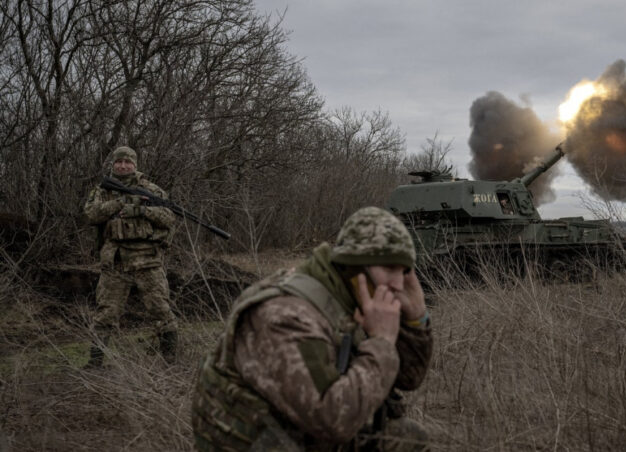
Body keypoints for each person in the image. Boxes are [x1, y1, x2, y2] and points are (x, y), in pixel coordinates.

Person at [192, 207, 433, 451]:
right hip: (265, 441)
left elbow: (408, 377)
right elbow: (332, 421)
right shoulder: (286, 315)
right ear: (355, 267)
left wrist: (416, 319)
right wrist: (381, 342)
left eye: (403, 271)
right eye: (389, 269)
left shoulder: (352, 297)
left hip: (303, 433)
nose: (398, 283)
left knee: (407, 438)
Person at [83, 146, 178, 366]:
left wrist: (142, 210)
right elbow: (90, 214)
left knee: (161, 309)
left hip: (148, 259)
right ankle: (94, 363)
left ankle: (170, 360)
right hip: (115, 261)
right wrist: (120, 203)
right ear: (113, 164)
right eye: (119, 162)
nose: (123, 166)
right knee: (106, 313)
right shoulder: (102, 190)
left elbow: (169, 218)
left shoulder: (151, 190)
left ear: (135, 165)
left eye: (128, 162)